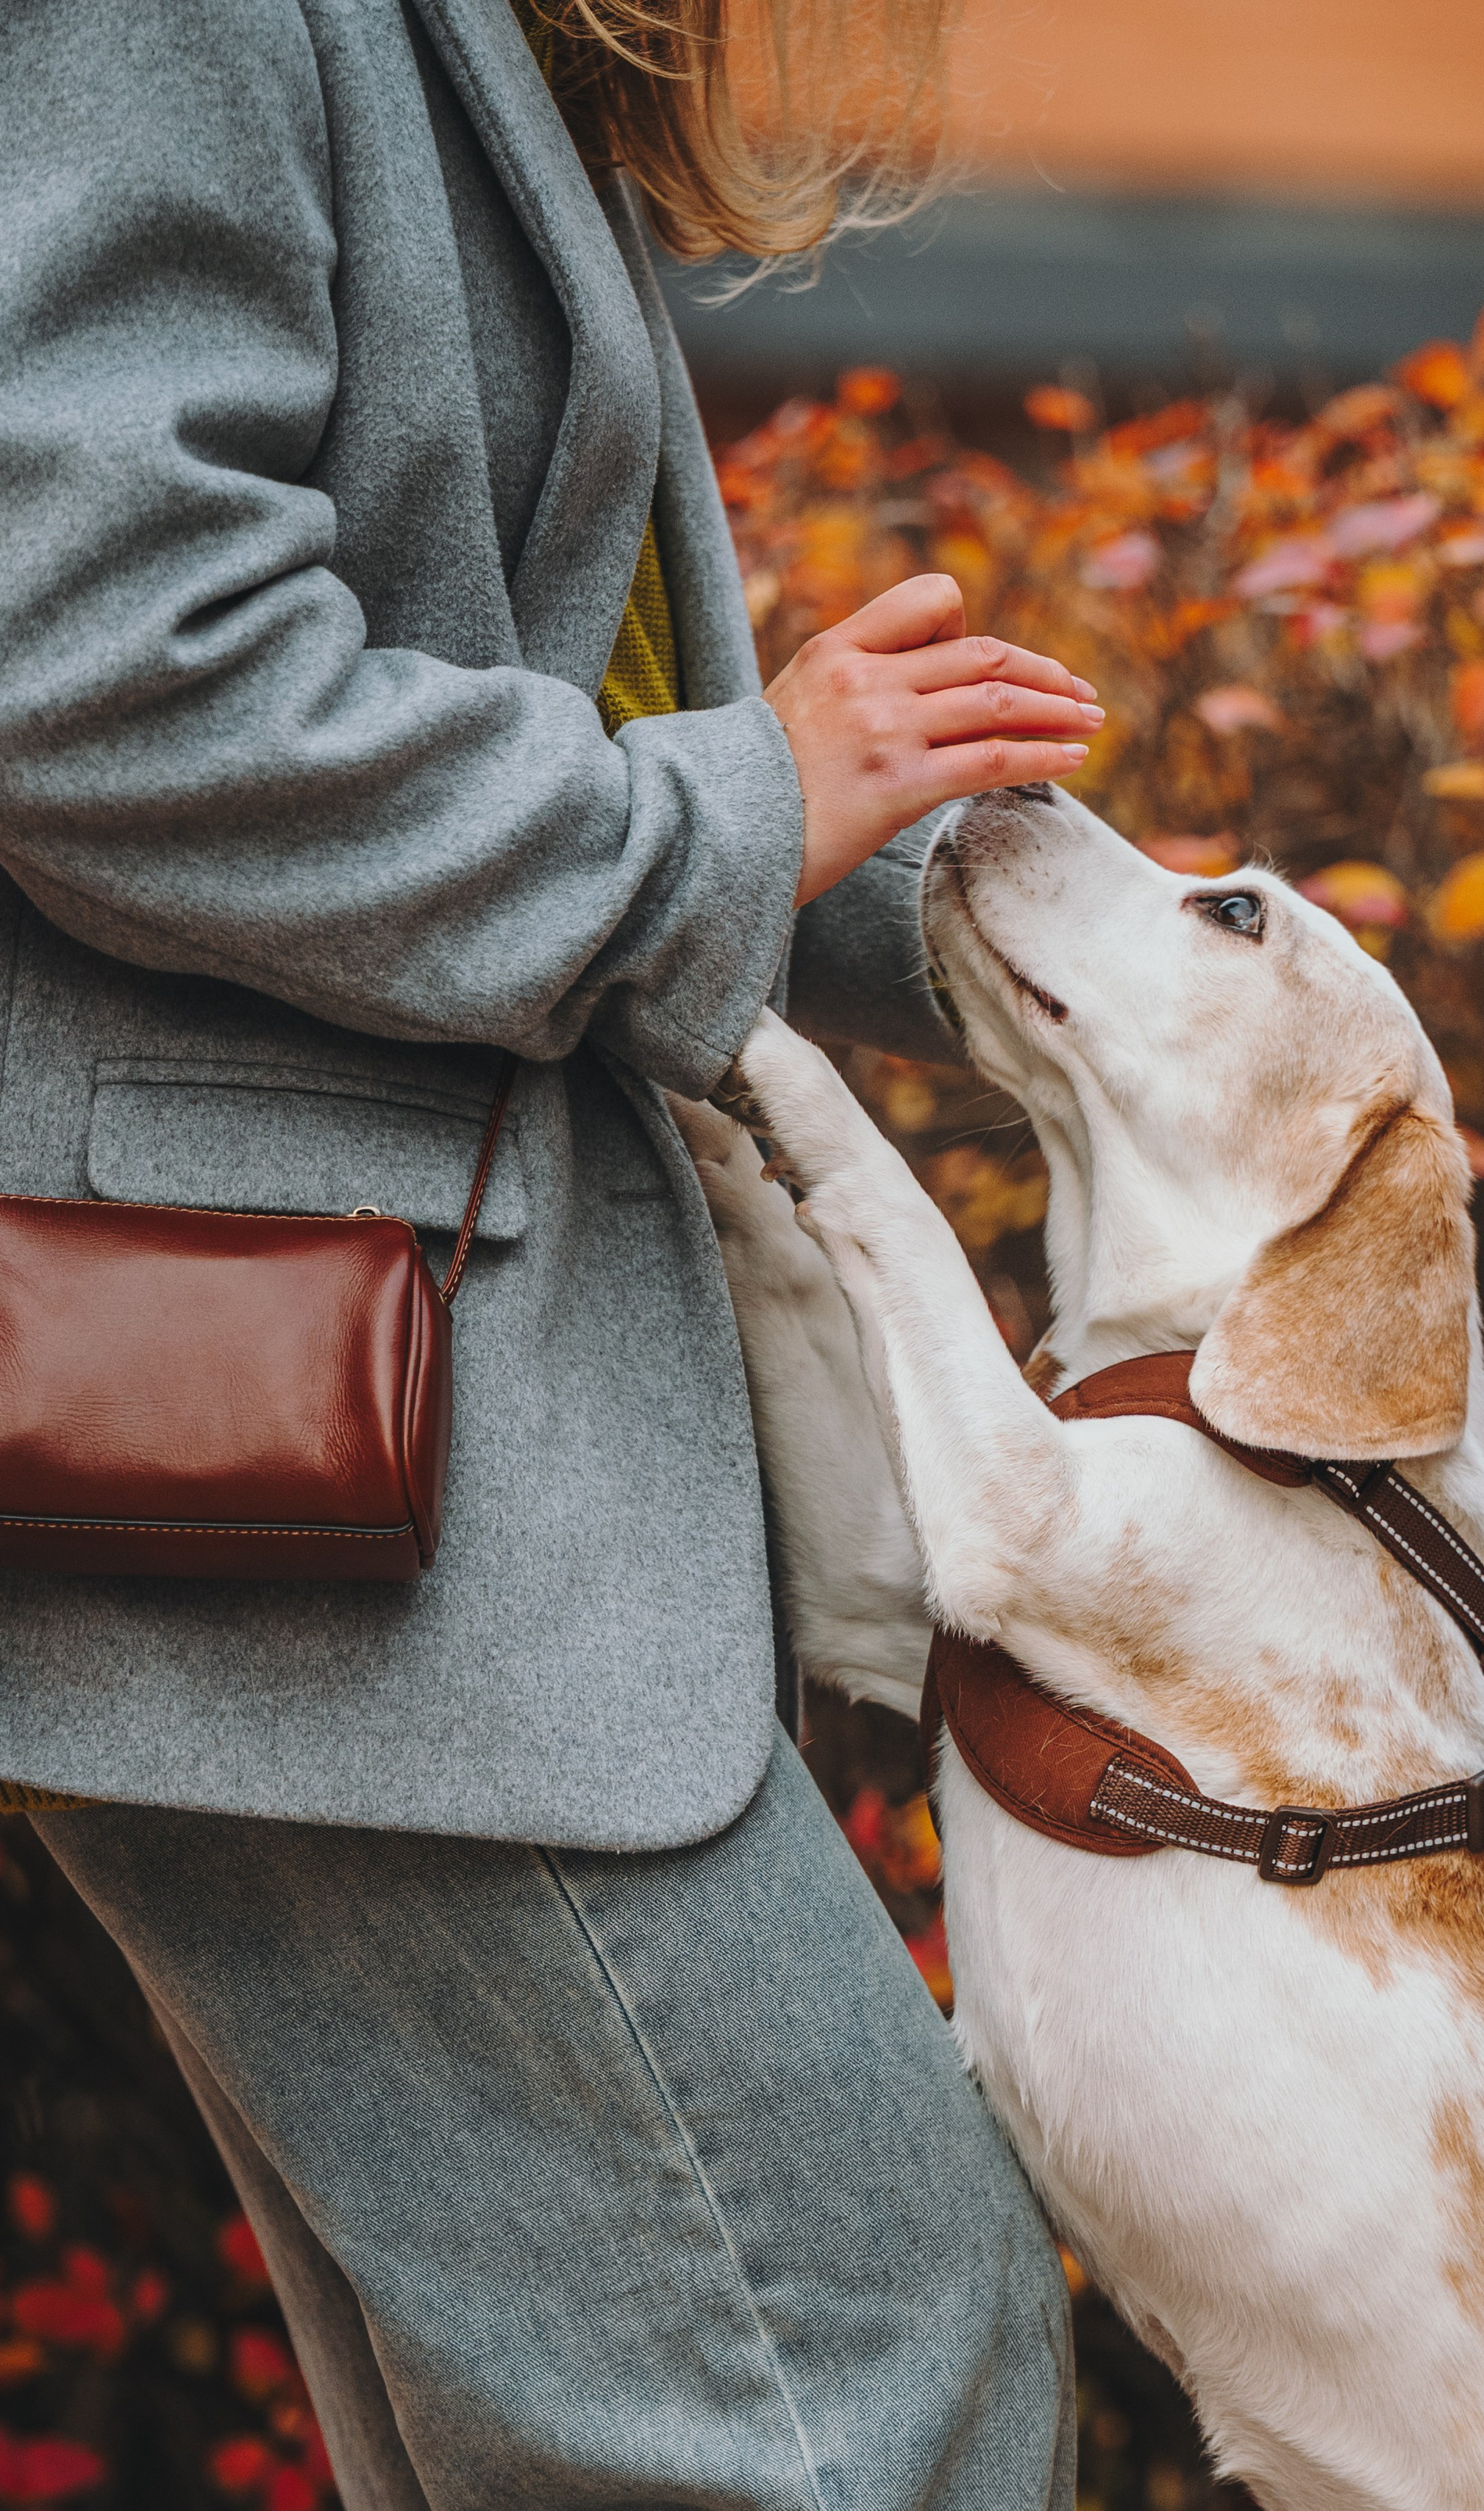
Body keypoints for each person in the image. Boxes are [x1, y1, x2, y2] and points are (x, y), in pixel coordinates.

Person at [0, 1, 1099, 2500]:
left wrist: (997, 917)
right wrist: (728, 811)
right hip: (306, 1443)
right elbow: (89, 667)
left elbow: (491, 663)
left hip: (366, 1433)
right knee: (844, 2392)